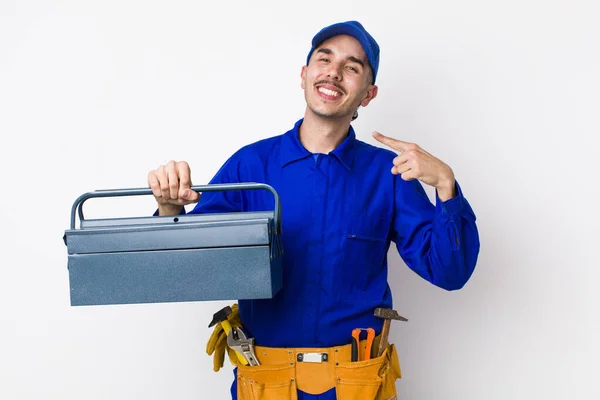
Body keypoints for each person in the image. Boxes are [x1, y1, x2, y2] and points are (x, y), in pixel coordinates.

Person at [147, 20, 479, 400]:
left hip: (357, 383)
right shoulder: (250, 166)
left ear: (368, 94)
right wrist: (170, 209)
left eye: (352, 67)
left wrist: (446, 187)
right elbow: (185, 270)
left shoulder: (389, 175)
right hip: (266, 382)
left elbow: (450, 273)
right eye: (324, 59)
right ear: (305, 75)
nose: (334, 72)